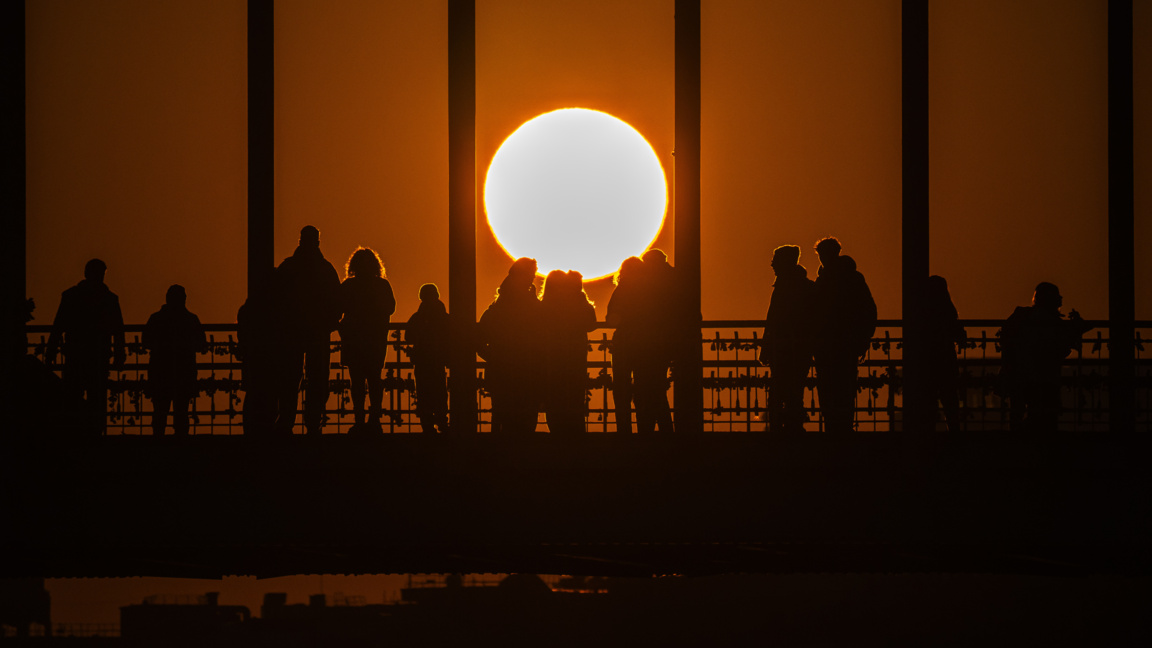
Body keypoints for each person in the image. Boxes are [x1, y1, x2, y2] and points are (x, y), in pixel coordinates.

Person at [274, 226, 342, 435]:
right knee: (318, 378)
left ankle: (286, 420)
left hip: (291, 333)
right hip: (317, 333)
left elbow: (274, 298)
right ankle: (313, 421)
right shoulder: (326, 270)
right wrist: (329, 323)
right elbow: (336, 303)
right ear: (317, 243)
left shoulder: (288, 268)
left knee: (288, 377)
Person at [999, 282, 1092, 433]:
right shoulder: (1052, 322)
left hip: (1020, 373)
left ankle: (1018, 439)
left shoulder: (1022, 317)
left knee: (1021, 411)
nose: (1061, 300)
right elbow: (1060, 346)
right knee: (1046, 416)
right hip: (1043, 375)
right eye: (1058, 297)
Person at [47, 258, 126, 433]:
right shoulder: (110, 299)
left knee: (74, 395)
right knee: (95, 397)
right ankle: (95, 432)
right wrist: (120, 353)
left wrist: (51, 351)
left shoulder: (71, 296)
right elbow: (118, 330)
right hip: (97, 354)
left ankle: (73, 432)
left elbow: (58, 326)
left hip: (77, 353)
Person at [811, 237, 877, 433]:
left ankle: (836, 428)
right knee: (841, 386)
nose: (823, 259)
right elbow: (869, 311)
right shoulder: (851, 278)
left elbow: (867, 311)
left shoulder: (828, 281)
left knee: (832, 387)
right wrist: (863, 339)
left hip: (833, 343)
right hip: (840, 344)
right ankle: (840, 427)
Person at [477, 257, 543, 434]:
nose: (532, 278)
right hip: (526, 368)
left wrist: (493, 357)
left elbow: (479, 339)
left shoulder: (498, 306)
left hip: (503, 369)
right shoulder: (532, 306)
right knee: (526, 417)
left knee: (501, 415)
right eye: (531, 274)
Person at [338, 247, 396, 434]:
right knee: (374, 379)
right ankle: (375, 419)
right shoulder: (382, 286)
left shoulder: (348, 286)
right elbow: (390, 308)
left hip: (354, 340)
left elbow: (337, 308)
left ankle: (359, 419)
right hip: (375, 340)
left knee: (356, 381)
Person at [758, 245, 815, 434]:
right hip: (796, 348)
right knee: (793, 390)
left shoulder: (785, 287)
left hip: (785, 348)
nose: (772, 263)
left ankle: (781, 430)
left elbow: (774, 319)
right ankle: (792, 428)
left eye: (775, 259)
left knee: (780, 391)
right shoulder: (804, 286)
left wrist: (766, 347)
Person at [142, 285, 207, 436]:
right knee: (182, 410)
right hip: (184, 371)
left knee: (160, 410)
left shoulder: (156, 319)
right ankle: (181, 443)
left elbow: (145, 341)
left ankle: (158, 442)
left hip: (160, 371)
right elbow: (202, 345)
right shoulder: (191, 320)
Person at [540, 270, 597, 435]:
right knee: (575, 392)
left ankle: (557, 429)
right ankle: (575, 429)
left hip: (552, 354)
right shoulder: (578, 302)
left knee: (555, 392)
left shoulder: (547, 303)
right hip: (576, 353)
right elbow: (591, 324)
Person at [633, 249, 677, 434]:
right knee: (656, 387)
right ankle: (662, 427)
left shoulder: (653, 282)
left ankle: (649, 428)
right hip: (662, 343)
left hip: (651, 344)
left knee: (648, 387)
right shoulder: (673, 278)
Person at [606, 256, 645, 434]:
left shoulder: (620, 290)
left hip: (623, 342)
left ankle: (624, 427)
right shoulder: (649, 292)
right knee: (643, 386)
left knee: (621, 387)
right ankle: (645, 427)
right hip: (644, 343)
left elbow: (610, 318)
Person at [406, 283, 450, 434]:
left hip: (422, 360)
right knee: (439, 391)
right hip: (438, 360)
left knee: (424, 392)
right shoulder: (444, 316)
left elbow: (408, 336)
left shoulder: (418, 317)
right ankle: (442, 421)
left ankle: (427, 424)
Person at [924, 275, 967, 431]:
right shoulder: (947, 309)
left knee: (929, 397)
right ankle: (953, 429)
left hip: (927, 360)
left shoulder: (923, 311)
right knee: (949, 397)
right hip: (946, 358)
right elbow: (956, 331)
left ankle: (928, 430)